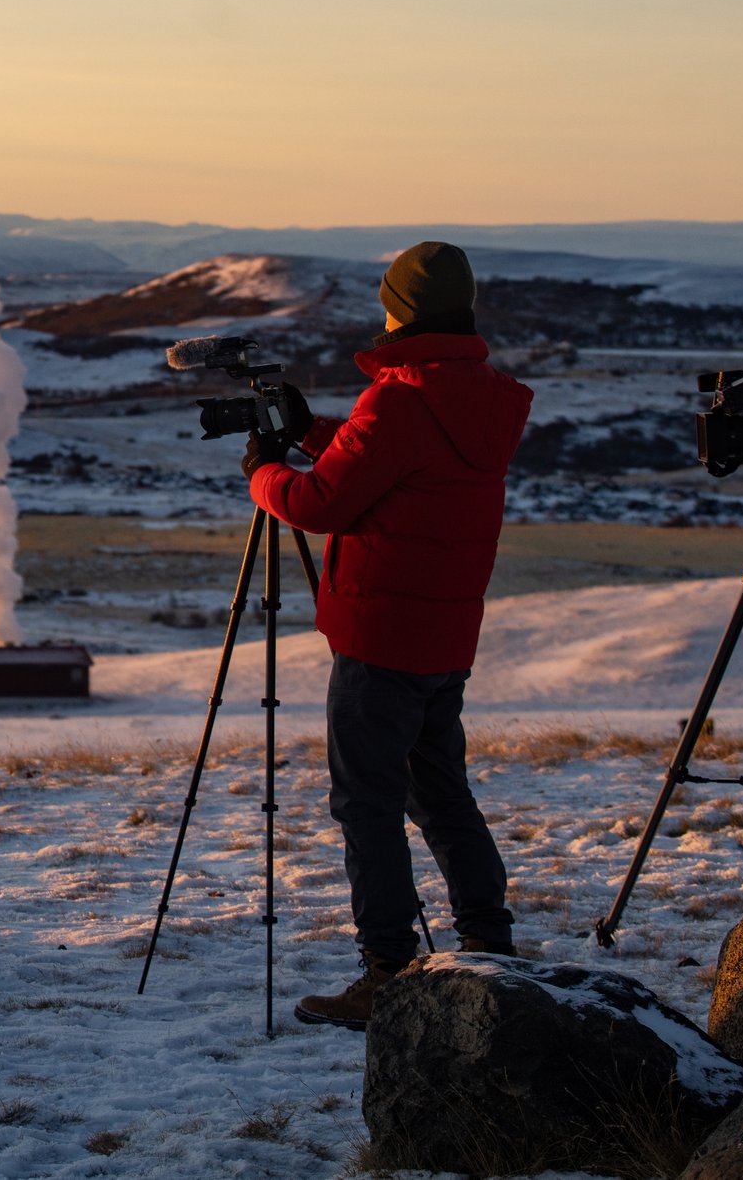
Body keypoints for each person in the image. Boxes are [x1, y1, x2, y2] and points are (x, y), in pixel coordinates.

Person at [239, 241, 534, 1030]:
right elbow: (397, 461)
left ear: (399, 307)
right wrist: (311, 431)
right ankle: (490, 943)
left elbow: (323, 503)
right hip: (445, 633)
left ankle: (388, 971)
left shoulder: (400, 398)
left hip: (378, 637)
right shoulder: (487, 396)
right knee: (442, 791)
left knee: (367, 804)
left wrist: (264, 472)